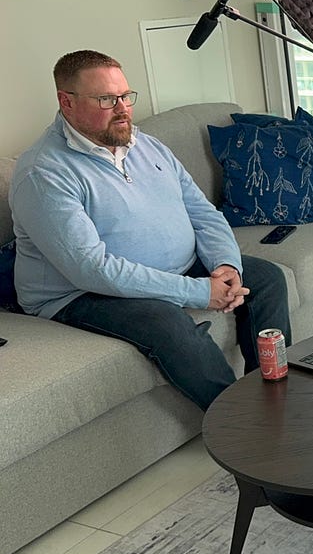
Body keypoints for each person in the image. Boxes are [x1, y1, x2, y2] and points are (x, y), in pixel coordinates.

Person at [9, 50, 292, 411]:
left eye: (125, 96)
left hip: (172, 268)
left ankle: (276, 401)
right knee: (167, 323)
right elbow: (92, 269)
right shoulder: (43, 173)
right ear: (67, 102)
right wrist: (198, 292)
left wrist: (225, 266)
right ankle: (241, 424)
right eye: (106, 99)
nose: (122, 109)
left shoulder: (144, 144)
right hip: (82, 293)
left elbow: (201, 211)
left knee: (266, 278)